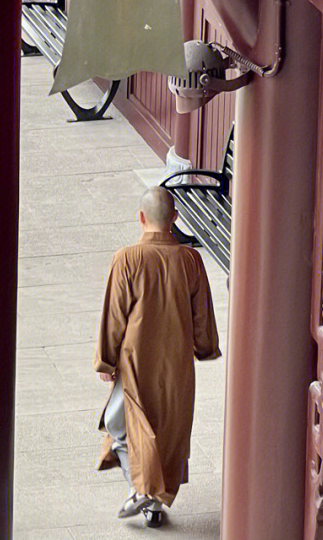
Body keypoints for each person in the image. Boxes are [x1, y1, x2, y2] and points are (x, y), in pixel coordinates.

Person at [95, 187, 221, 528]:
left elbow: (114, 315)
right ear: (175, 219)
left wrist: (106, 361)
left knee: (119, 424)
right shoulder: (190, 259)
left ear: (140, 218)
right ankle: (150, 499)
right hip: (176, 361)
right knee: (167, 431)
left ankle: (144, 491)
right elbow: (202, 314)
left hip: (135, 362)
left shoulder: (128, 258)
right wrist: (205, 346)